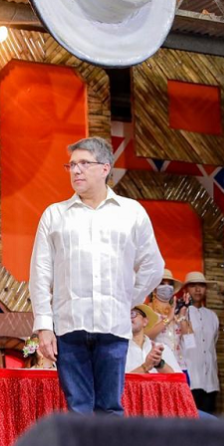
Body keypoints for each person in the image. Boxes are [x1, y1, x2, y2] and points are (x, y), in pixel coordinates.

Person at [30, 137, 164, 415]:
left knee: (110, 409)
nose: (76, 171)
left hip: (113, 326)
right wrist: (44, 326)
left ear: (105, 168)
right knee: (78, 409)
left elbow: (153, 265)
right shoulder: (54, 215)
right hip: (69, 327)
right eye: (71, 165)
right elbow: (40, 274)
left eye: (83, 164)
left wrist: (127, 298)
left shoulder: (131, 212)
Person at [180, 271, 220, 413]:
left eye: (201, 286)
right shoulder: (181, 314)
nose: (198, 290)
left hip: (210, 380)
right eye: (193, 286)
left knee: (209, 422)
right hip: (190, 380)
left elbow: (212, 343)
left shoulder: (212, 316)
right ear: (186, 289)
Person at [145, 269, 194, 369]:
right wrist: (168, 319)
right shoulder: (147, 310)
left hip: (179, 364)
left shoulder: (176, 311)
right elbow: (145, 336)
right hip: (156, 365)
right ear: (154, 288)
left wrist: (182, 315)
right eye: (162, 284)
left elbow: (190, 340)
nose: (166, 287)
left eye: (170, 284)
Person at [126, 304, 181, 374]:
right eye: (124, 316)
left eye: (132, 314)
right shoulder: (118, 350)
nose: (128, 318)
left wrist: (159, 363)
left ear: (145, 321)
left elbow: (178, 379)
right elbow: (117, 382)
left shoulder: (162, 349)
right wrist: (145, 366)